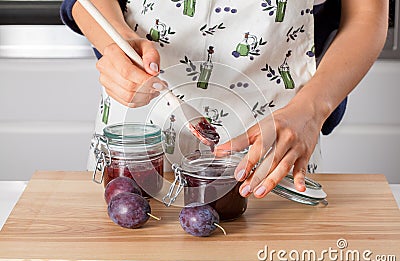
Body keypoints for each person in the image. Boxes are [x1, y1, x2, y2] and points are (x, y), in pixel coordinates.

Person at [61, 0, 388, 198]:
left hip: (275, 158)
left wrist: (313, 109)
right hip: (135, 153)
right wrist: (117, 43)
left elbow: (366, 16)